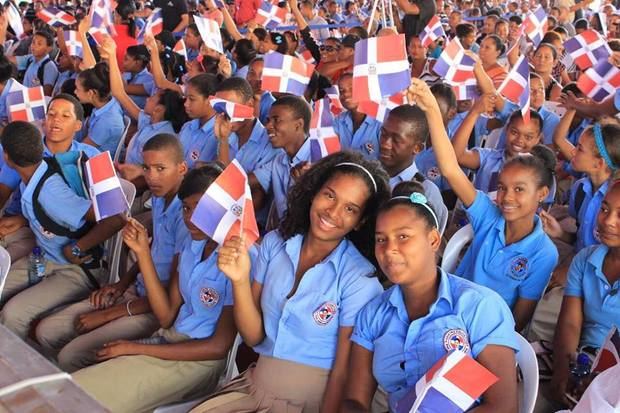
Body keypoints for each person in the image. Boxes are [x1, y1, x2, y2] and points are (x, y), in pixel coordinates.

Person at [190, 151, 390, 412]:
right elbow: (253, 336)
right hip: (255, 387)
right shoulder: (274, 244)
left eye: (350, 209)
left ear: (360, 222)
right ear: (314, 193)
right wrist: (239, 281)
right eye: (329, 195)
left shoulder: (359, 280)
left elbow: (343, 371)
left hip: (311, 403)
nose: (333, 212)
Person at [73, 165, 239, 413]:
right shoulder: (191, 245)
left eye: (201, 208)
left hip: (199, 361)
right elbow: (166, 315)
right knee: (81, 363)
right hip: (169, 338)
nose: (190, 218)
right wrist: (142, 253)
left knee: (82, 394)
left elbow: (217, 348)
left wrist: (135, 348)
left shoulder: (239, 258)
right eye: (186, 208)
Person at [341, 189, 519, 413]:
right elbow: (354, 399)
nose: (389, 249)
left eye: (403, 236)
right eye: (381, 239)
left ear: (433, 240)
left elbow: (504, 407)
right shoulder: (374, 314)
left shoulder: (479, 306)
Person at [407, 78, 558, 331]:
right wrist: (432, 110)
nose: (507, 197)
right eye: (501, 188)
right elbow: (451, 170)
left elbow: (518, 320)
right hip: (445, 308)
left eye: (519, 189)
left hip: (485, 332)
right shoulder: (489, 215)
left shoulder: (543, 253)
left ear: (542, 193)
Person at [36, 134, 189, 372]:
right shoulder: (160, 199)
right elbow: (154, 253)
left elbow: (170, 298)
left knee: (71, 356)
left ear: (182, 168)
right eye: (147, 169)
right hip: (134, 290)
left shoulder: (187, 216)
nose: (152, 177)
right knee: (47, 331)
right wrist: (120, 285)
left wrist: (109, 315)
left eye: (161, 168)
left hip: (152, 308)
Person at [0, 122, 124, 339]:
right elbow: (53, 215)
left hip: (74, 270)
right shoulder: (35, 173)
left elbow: (116, 219)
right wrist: (24, 219)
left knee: (13, 315)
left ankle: (25, 368)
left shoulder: (51, 193)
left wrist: (77, 248)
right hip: (45, 257)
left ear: (7, 158)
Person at [0, 94, 101, 263]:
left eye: (65, 116)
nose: (56, 120)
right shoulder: (27, 149)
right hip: (23, 224)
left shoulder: (92, 157)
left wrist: (80, 246)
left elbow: (108, 212)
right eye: (51, 114)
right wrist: (21, 219)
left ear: (78, 125)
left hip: (65, 237)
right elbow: (3, 192)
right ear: (44, 120)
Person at [546, 180, 620, 408]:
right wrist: (564, 371)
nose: (608, 221)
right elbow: (570, 323)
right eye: (605, 209)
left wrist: (599, 384)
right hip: (581, 359)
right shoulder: (587, 259)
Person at [378, 104, 448, 234]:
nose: (385, 144)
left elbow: (425, 247)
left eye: (396, 140)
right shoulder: (368, 175)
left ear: (417, 148)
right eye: (383, 134)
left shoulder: (426, 191)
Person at [249, 95, 312, 222]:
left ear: (298, 125)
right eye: (268, 120)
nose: (268, 126)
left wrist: (306, 186)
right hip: (280, 235)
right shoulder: (279, 161)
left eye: (276, 120)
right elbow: (244, 182)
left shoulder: (319, 160)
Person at [74, 63, 126, 159]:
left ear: (91, 93)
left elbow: (80, 150)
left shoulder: (107, 121)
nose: (75, 92)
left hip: (96, 160)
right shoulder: (108, 102)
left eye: (77, 89)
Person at [333, 73, 382, 160]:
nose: (346, 94)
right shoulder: (339, 121)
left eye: (352, 88)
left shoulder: (380, 122)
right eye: (341, 91)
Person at [177, 73, 218, 168]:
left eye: (191, 99)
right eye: (185, 98)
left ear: (210, 100)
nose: (185, 104)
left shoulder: (217, 135)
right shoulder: (187, 126)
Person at [121, 45, 155, 109]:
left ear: (137, 62)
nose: (123, 62)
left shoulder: (150, 80)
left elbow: (121, 88)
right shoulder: (126, 74)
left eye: (126, 59)